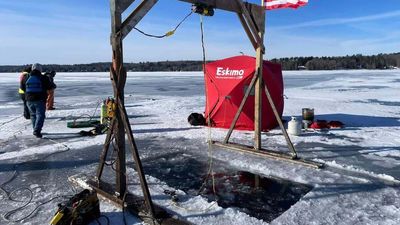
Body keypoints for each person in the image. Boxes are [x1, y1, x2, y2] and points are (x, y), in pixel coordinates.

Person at [20, 63, 53, 138]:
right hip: (40, 99)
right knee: (40, 115)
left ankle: (35, 129)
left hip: (29, 100)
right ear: (40, 69)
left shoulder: (26, 77)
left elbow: (22, 87)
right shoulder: (43, 77)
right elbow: (50, 87)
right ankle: (37, 130)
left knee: (33, 115)